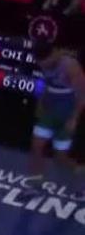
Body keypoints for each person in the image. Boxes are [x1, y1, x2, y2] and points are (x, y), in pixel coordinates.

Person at [30, 40, 85, 183]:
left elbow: (82, 94)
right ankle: (35, 184)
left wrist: (74, 118)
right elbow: (48, 84)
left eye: (45, 62)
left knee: (60, 158)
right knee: (36, 147)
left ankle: (79, 173)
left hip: (67, 114)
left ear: (53, 54)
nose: (44, 66)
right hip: (49, 112)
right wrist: (41, 102)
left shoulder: (70, 66)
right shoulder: (42, 62)